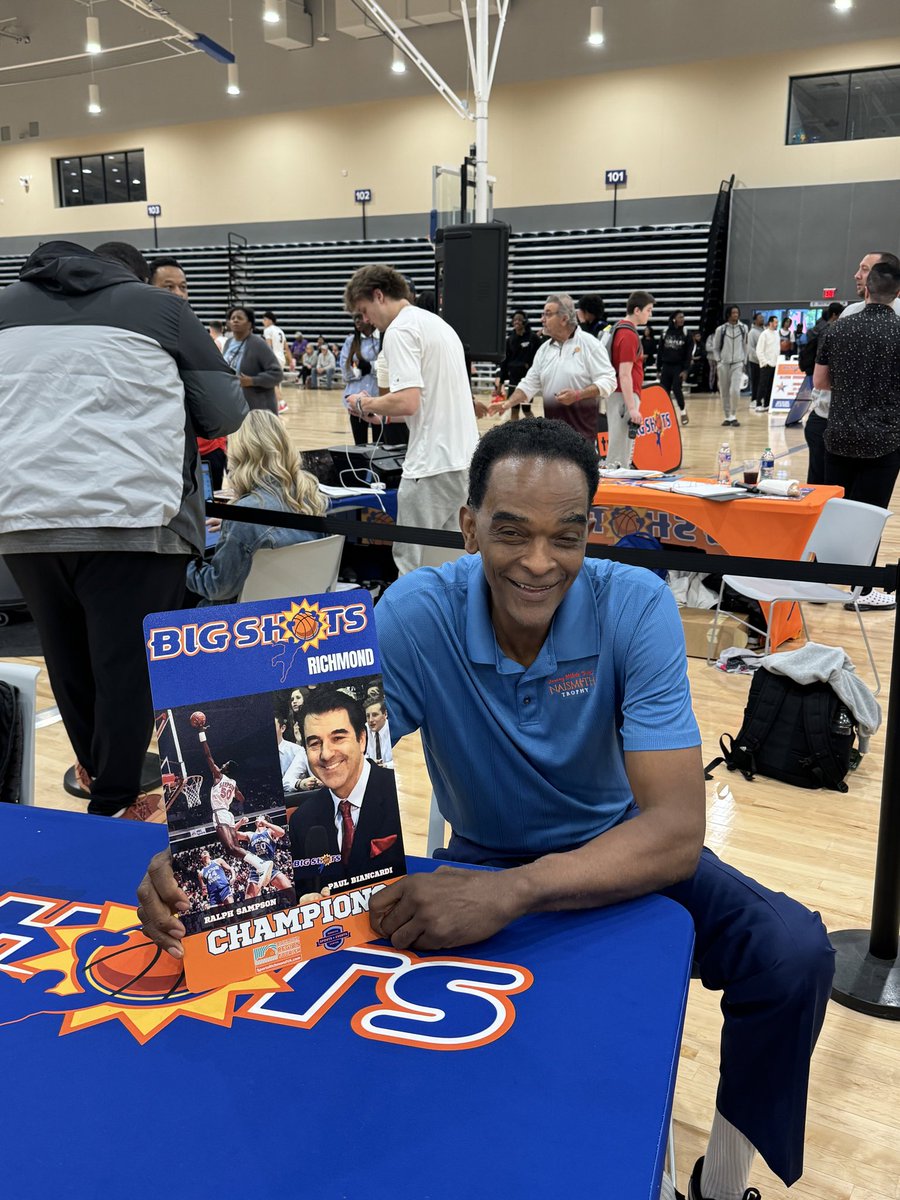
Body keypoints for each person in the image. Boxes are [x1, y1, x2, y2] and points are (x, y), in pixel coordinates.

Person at [139, 418, 834, 1200]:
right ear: (468, 528)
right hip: (481, 855)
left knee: (793, 954)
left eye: (565, 537)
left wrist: (515, 890)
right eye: (512, 533)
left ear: (589, 533)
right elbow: (317, 758)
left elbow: (675, 833)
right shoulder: (417, 612)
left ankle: (722, 1184)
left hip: (618, 853)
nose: (540, 563)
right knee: (383, 1015)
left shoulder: (633, 606)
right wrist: (201, 854)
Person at [0, 240, 246, 819]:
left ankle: (98, 782)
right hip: (137, 518)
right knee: (127, 669)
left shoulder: (4, 307)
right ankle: (114, 803)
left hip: (24, 520)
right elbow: (226, 412)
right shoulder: (161, 309)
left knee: (65, 660)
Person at [343, 263, 478, 576]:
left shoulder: (401, 330)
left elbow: (408, 400)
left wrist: (365, 403)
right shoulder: (438, 325)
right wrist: (381, 413)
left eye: (363, 311)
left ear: (379, 295)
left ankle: (409, 626)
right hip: (464, 461)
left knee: (412, 566)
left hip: (430, 464)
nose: (364, 320)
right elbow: (421, 404)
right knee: (451, 564)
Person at [813, 260, 900, 611]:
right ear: (897, 293)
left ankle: (819, 584)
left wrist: (850, 385)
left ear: (867, 287)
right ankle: (862, 592)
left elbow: (819, 381)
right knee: (871, 514)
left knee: (837, 511)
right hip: (884, 440)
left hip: (839, 435)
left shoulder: (837, 329)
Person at [186, 409, 326, 604]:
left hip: (240, 624)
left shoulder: (244, 516)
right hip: (294, 613)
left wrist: (185, 562)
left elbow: (218, 588)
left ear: (239, 454)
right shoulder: (311, 499)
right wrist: (230, 525)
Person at [286, 687, 406, 892]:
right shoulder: (301, 821)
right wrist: (304, 902)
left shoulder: (400, 794)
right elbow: (305, 887)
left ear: (361, 739)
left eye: (338, 738)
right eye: (315, 743)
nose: (326, 754)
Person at [491, 293, 616, 447]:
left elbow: (609, 381)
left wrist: (578, 395)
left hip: (583, 440)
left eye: (548, 314)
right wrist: (507, 403)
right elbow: (529, 384)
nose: (542, 319)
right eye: (543, 314)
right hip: (551, 439)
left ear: (564, 319)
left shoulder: (590, 345)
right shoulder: (544, 350)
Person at [196, 719, 272, 883]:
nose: (221, 765)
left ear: (226, 769)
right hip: (229, 815)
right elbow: (241, 798)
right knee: (234, 849)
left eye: (224, 764)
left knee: (230, 848)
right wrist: (232, 793)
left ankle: (261, 864)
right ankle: (260, 866)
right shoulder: (233, 783)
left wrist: (201, 732)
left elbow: (207, 755)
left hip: (220, 814)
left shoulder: (218, 775)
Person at [606, 290, 655, 466]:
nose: (650, 314)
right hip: (623, 396)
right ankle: (615, 485)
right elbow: (625, 374)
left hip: (620, 395)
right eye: (648, 310)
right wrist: (632, 408)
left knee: (621, 447)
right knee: (620, 451)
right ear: (637, 310)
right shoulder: (628, 335)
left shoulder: (620, 328)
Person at [800, 303, 843, 484]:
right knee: (822, 481)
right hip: (824, 417)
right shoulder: (829, 332)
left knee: (821, 479)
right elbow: (821, 380)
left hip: (824, 415)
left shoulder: (820, 329)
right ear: (835, 315)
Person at [223, 306, 283, 413]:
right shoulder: (228, 343)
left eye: (240, 318)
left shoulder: (258, 344)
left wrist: (252, 381)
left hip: (258, 409)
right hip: (234, 406)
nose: (235, 320)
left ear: (249, 324)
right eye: (233, 318)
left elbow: (277, 374)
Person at [340, 313, 381, 444]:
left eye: (360, 317)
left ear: (370, 318)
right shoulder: (350, 341)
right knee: (359, 445)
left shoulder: (383, 339)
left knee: (379, 446)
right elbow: (345, 371)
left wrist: (370, 366)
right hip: (356, 401)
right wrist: (361, 370)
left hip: (379, 399)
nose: (357, 321)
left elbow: (388, 366)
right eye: (355, 318)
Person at [494, 310, 541, 421]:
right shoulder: (510, 340)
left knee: (526, 410)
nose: (517, 322)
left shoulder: (533, 338)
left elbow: (539, 356)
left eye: (519, 319)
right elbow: (504, 364)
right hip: (513, 380)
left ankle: (536, 430)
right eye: (515, 320)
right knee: (514, 410)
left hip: (527, 379)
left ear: (525, 321)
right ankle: (515, 435)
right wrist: (499, 385)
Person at [237, 816, 292, 897]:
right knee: (249, 901)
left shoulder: (269, 831)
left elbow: (281, 832)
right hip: (256, 870)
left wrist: (266, 824)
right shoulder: (250, 834)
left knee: (290, 891)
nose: (257, 818)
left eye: (260, 817)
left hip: (270, 867)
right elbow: (232, 835)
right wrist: (240, 823)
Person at [713, 306, 748, 427]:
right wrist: (719, 360)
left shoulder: (744, 328)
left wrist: (744, 361)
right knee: (724, 391)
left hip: (738, 363)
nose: (735, 314)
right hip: (723, 364)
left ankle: (733, 415)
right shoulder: (721, 330)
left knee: (735, 390)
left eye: (737, 312)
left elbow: (745, 346)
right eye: (733, 312)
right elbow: (715, 348)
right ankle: (727, 416)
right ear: (728, 314)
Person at [657, 310, 693, 425]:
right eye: (680, 317)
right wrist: (658, 368)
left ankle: (682, 412)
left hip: (678, 366)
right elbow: (660, 351)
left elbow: (689, 353)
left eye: (683, 317)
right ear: (674, 319)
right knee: (664, 392)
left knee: (677, 389)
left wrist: (686, 369)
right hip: (666, 366)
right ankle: (666, 414)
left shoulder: (687, 333)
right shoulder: (665, 332)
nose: (682, 319)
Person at [261, 310, 292, 413]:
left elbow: (268, 346)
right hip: (282, 358)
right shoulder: (280, 331)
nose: (263, 322)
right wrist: (291, 361)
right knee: (276, 382)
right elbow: (287, 348)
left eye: (264, 319)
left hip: (273, 357)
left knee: (271, 382)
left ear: (270, 320)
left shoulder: (268, 330)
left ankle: (282, 403)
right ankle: (277, 404)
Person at [755, 315, 780, 414]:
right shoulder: (764, 334)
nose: (776, 324)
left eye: (777, 322)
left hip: (775, 364)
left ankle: (767, 404)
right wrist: (765, 362)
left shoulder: (777, 334)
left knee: (770, 386)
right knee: (763, 385)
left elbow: (777, 349)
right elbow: (759, 350)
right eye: (775, 322)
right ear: (770, 323)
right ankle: (758, 404)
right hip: (766, 365)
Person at [364, 697, 393, 767]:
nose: (370, 720)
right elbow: (362, 755)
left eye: (374, 715)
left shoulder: (393, 729)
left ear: (385, 714)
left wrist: (386, 765)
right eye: (368, 716)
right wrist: (370, 761)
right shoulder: (365, 728)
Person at [746, 313, 764, 412]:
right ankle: (753, 399)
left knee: (762, 381)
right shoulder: (752, 332)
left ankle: (760, 398)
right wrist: (759, 358)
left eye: (763, 318)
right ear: (755, 320)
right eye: (760, 318)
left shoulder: (764, 330)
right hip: (755, 361)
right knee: (755, 380)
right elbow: (751, 349)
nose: (762, 319)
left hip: (764, 361)